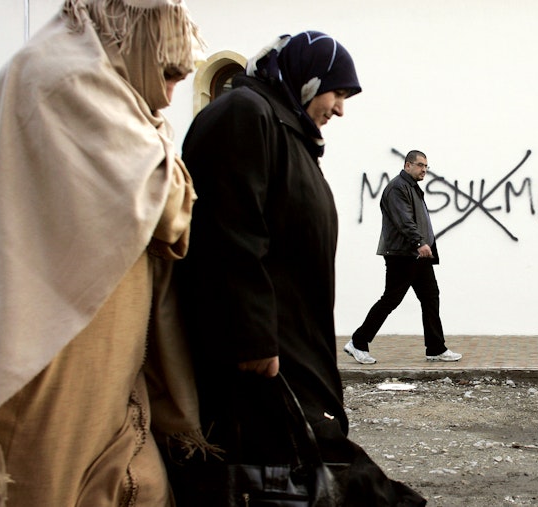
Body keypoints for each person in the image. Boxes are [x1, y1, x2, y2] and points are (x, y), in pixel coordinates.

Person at [170, 31, 427, 506]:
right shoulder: (244, 114)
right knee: (323, 480)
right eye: (338, 93)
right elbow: (228, 227)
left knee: (313, 474)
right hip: (264, 361)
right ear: (308, 78)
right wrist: (251, 337)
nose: (341, 109)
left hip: (292, 347)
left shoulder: (284, 128)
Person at [0, 0, 202, 505]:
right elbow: (166, 207)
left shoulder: (53, 72)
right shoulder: (67, 80)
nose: (169, 94)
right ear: (134, 40)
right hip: (53, 353)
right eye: (167, 71)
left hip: (103, 363)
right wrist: (169, 161)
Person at [345, 150, 463, 364]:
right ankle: (358, 342)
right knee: (391, 299)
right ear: (407, 165)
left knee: (430, 297)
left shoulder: (412, 188)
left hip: (418, 256)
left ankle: (436, 348)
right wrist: (419, 242)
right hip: (402, 255)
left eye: (427, 166)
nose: (424, 170)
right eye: (420, 165)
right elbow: (404, 220)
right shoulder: (397, 188)